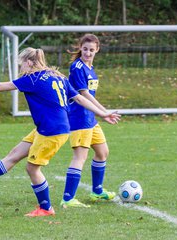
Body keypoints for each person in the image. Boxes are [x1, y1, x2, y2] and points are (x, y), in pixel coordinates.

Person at [0, 47, 120, 217]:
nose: (21, 69)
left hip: (52, 131)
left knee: (32, 169)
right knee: (13, 155)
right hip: (49, 127)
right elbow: (78, 98)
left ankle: (46, 208)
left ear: (29, 62)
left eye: (21, 65)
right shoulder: (58, 76)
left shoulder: (31, 79)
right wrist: (103, 113)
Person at [60, 34, 118, 208]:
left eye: (91, 50)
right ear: (80, 48)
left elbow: (90, 94)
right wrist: (103, 112)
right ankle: (68, 199)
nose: (88, 53)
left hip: (90, 118)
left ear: (97, 50)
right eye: (85, 49)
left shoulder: (90, 68)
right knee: (80, 156)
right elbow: (83, 94)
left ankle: (97, 191)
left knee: (102, 152)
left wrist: (100, 113)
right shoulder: (77, 67)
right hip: (79, 118)